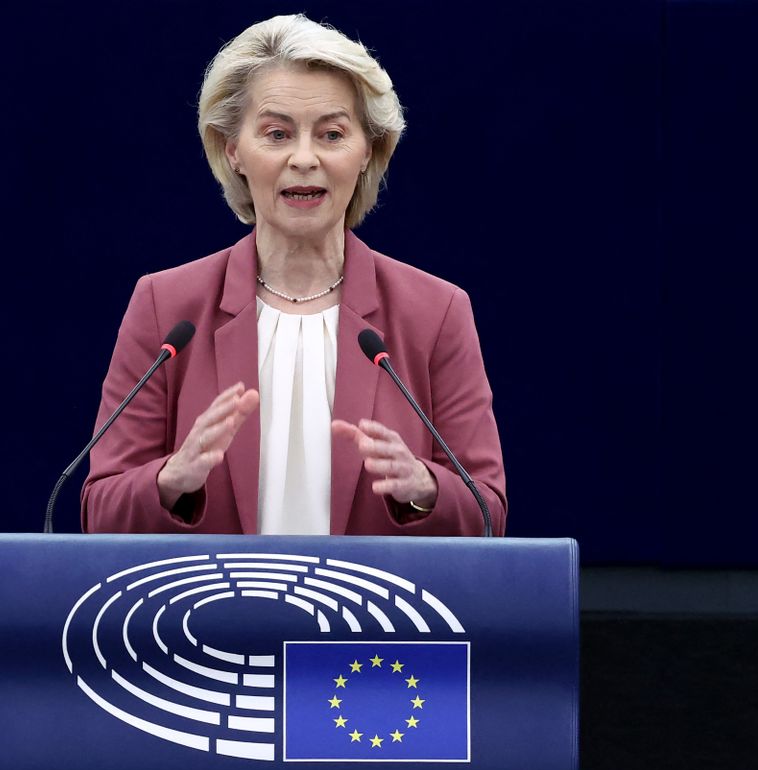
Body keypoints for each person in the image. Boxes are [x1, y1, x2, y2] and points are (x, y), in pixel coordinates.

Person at [80, 14, 505, 536]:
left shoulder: (434, 312)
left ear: (366, 152)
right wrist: (170, 478)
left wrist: (425, 488)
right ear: (233, 150)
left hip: (372, 618)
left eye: (331, 134)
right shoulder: (166, 308)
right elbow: (98, 510)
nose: (304, 159)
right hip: (211, 614)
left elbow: (489, 513)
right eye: (277, 134)